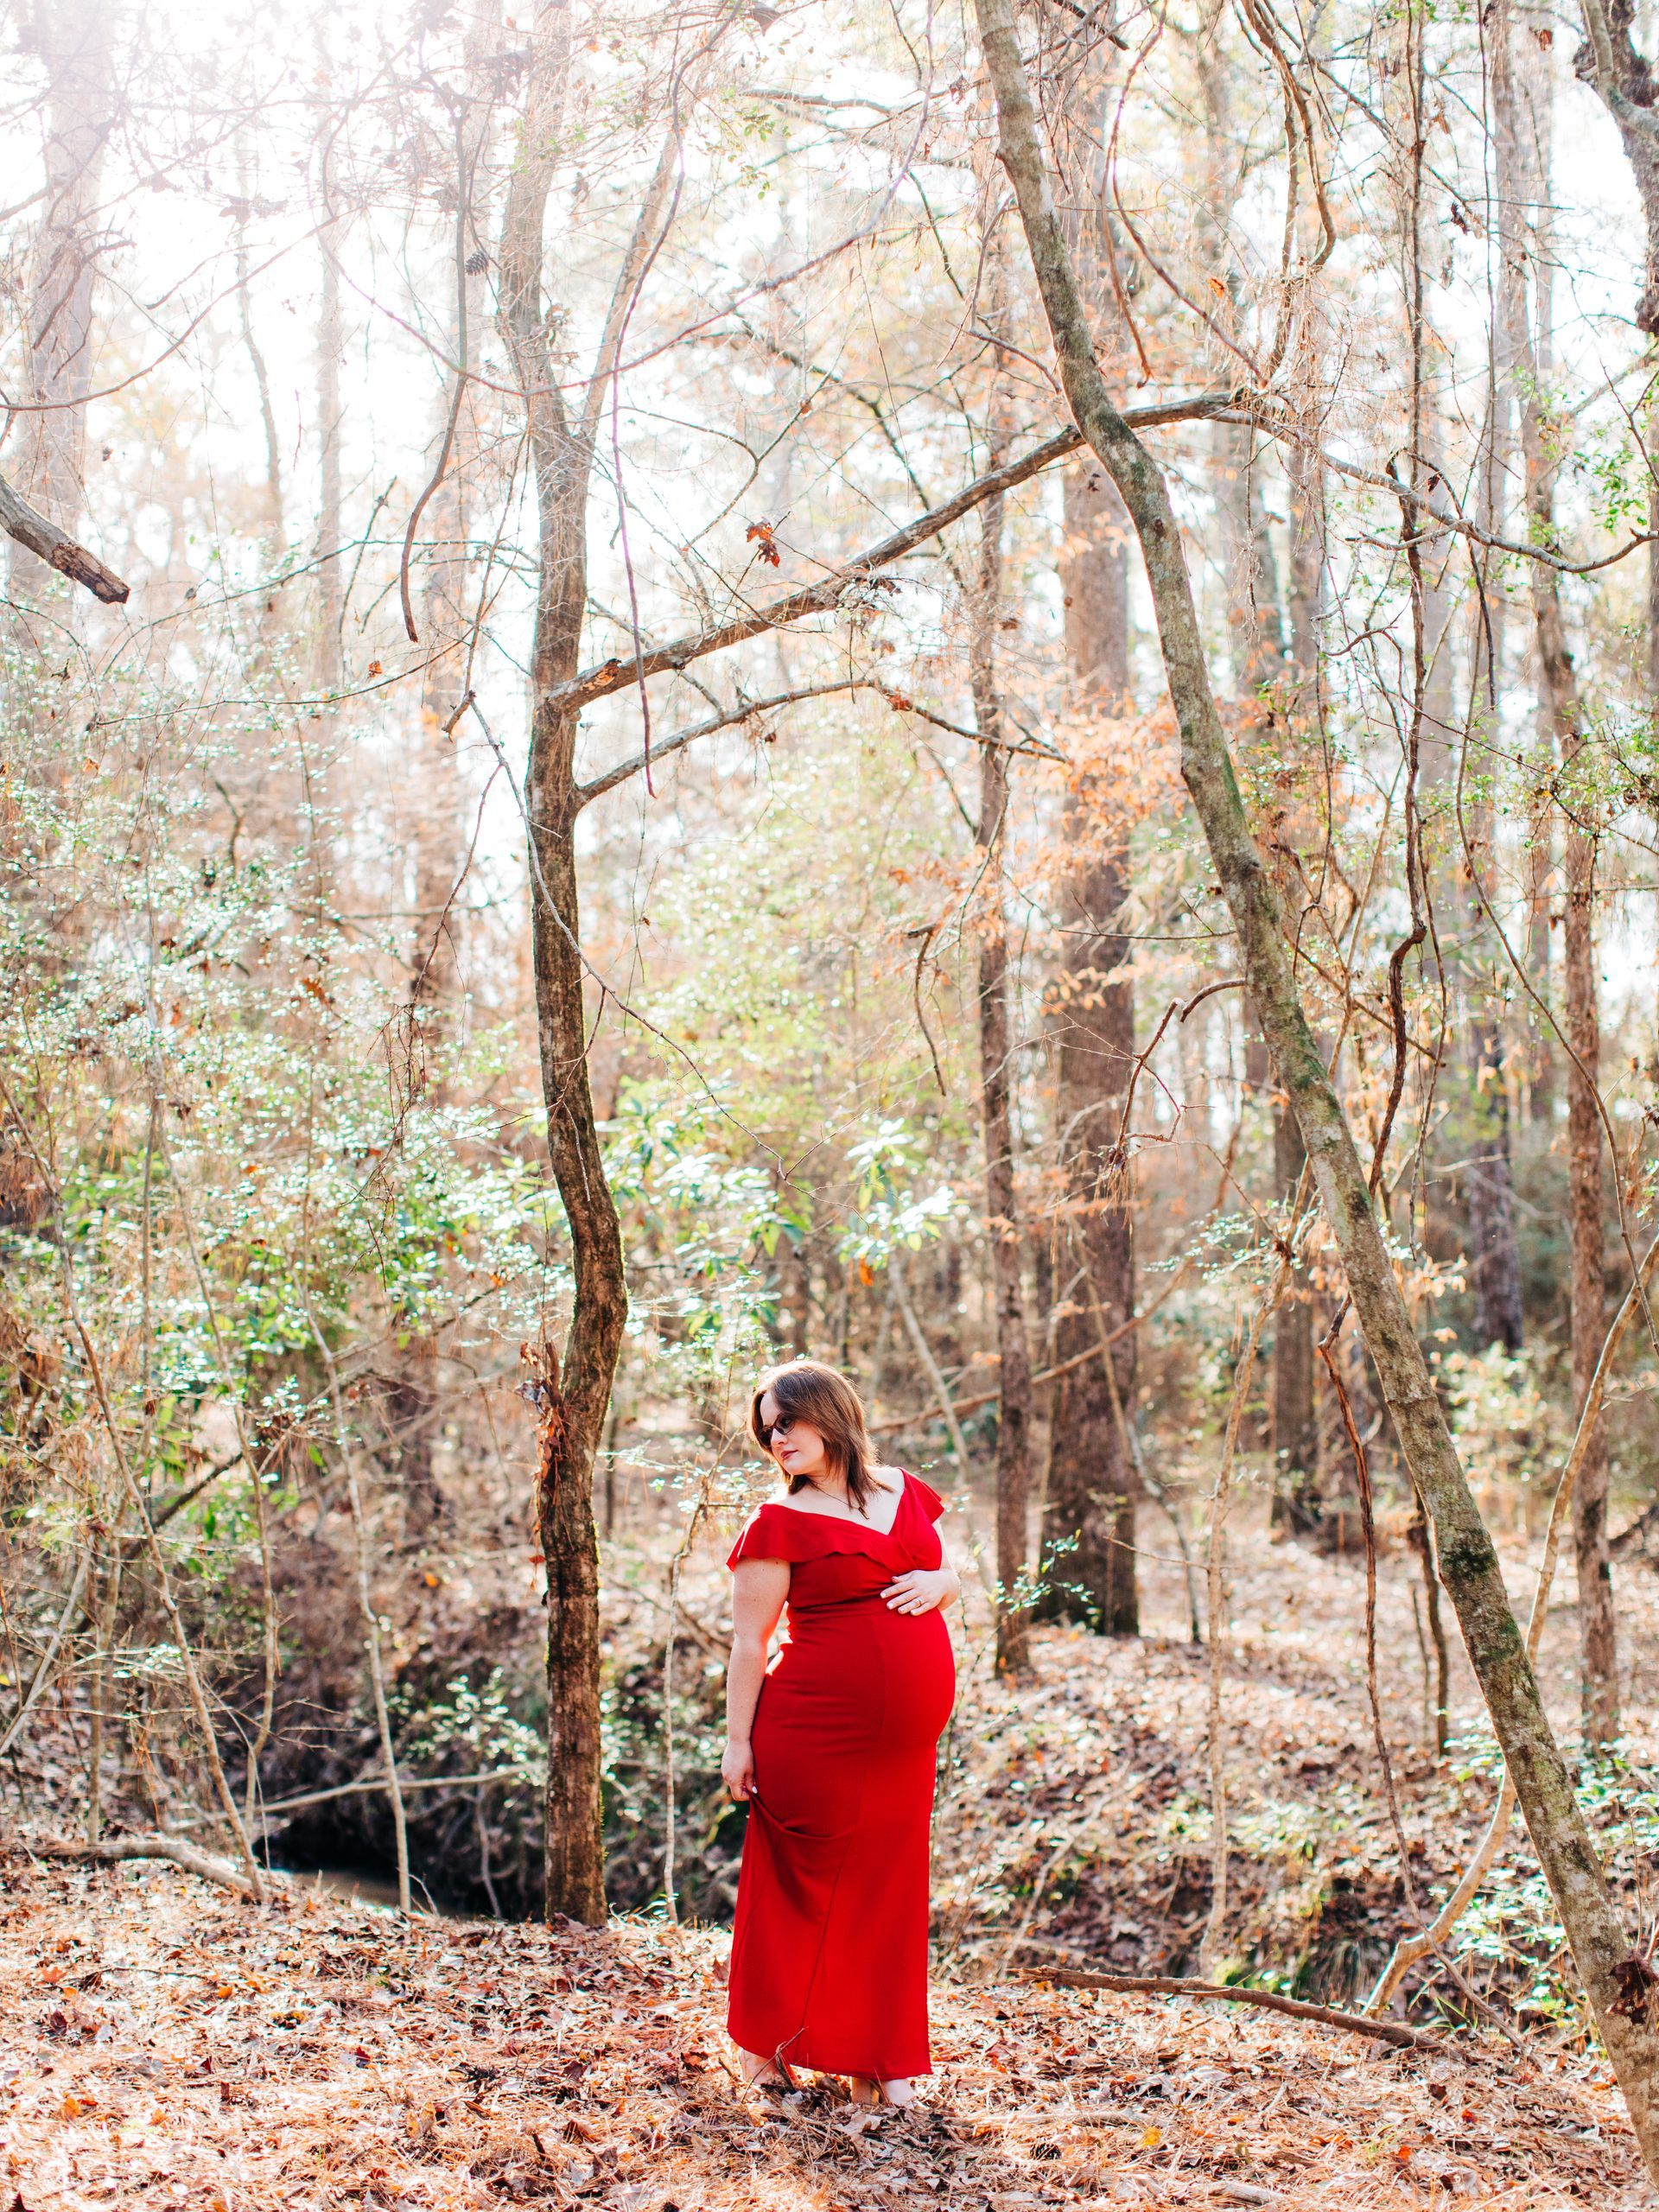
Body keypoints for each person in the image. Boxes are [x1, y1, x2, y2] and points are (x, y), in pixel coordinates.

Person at [721, 1357, 961, 2107]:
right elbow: (748, 1643)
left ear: (828, 1412)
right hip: (812, 1733)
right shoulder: (777, 1523)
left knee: (884, 1895)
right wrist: (738, 1742)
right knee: (802, 1887)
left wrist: (943, 1583)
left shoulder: (905, 1491)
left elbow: (951, 1569)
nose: (777, 1438)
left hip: (902, 1751)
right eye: (768, 1430)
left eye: (787, 1421)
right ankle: (764, 2052)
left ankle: (876, 2059)